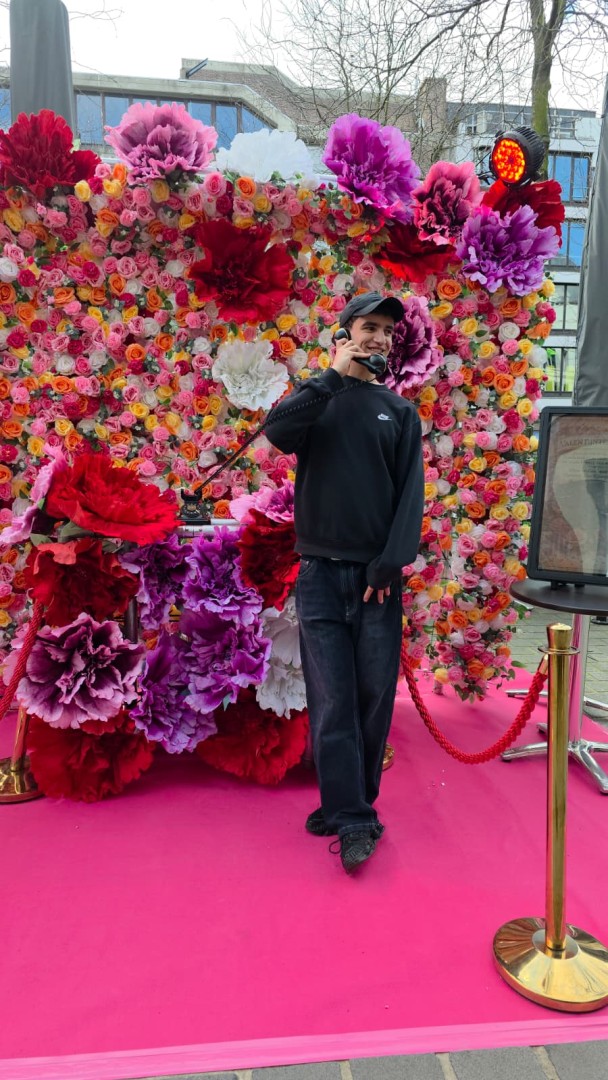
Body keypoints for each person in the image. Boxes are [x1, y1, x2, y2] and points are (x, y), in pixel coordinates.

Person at [265, 292, 424, 874]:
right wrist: (332, 375)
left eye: (386, 331)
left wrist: (388, 566)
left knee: (372, 697)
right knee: (331, 697)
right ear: (344, 333)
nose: (379, 337)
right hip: (318, 576)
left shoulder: (399, 412)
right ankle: (353, 816)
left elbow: (410, 497)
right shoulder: (317, 400)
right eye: (369, 327)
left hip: (376, 582)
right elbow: (276, 431)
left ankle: (349, 804)